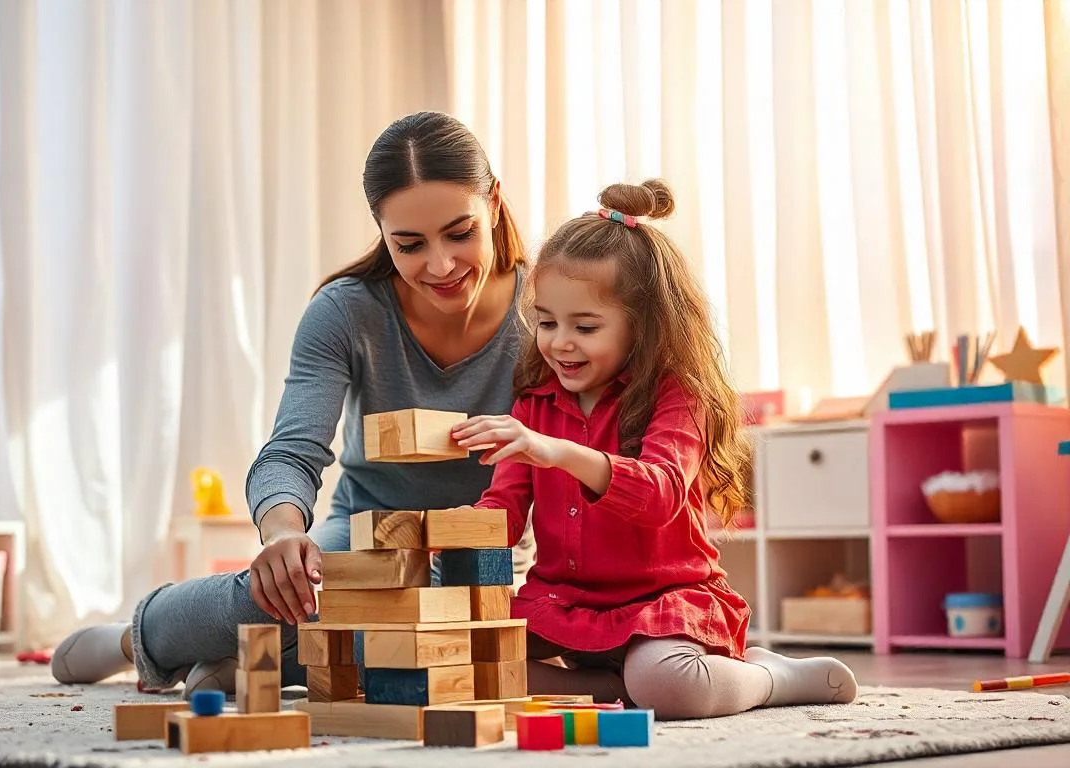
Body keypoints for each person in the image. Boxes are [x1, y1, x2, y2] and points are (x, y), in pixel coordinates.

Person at [49, 111, 531, 692]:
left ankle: (256, 663)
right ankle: (138, 638)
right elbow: (293, 452)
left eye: (461, 233)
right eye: (409, 244)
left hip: (495, 556)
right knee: (277, 595)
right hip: (364, 535)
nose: (441, 264)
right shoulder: (346, 311)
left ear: (495, 204)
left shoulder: (548, 315)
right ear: (381, 233)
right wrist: (282, 535)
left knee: (457, 642)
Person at [450, 178, 858, 719]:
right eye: (546, 322)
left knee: (670, 686)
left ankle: (769, 676)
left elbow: (660, 493)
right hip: (564, 606)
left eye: (585, 326)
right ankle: (609, 686)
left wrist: (555, 452)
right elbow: (502, 513)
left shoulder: (679, 395)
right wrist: (447, 533)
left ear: (642, 327)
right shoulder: (535, 405)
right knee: (464, 660)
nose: (559, 342)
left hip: (664, 606)